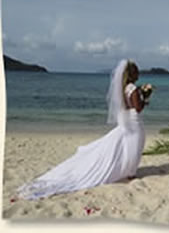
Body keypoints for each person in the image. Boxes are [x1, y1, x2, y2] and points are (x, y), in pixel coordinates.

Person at [17, 60, 149, 200]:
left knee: (129, 146)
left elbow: (126, 106)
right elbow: (137, 108)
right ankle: (131, 173)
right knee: (134, 146)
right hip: (134, 122)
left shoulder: (123, 88)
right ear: (132, 73)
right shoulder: (133, 89)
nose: (138, 74)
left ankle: (128, 171)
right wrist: (145, 98)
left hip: (128, 121)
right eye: (137, 71)